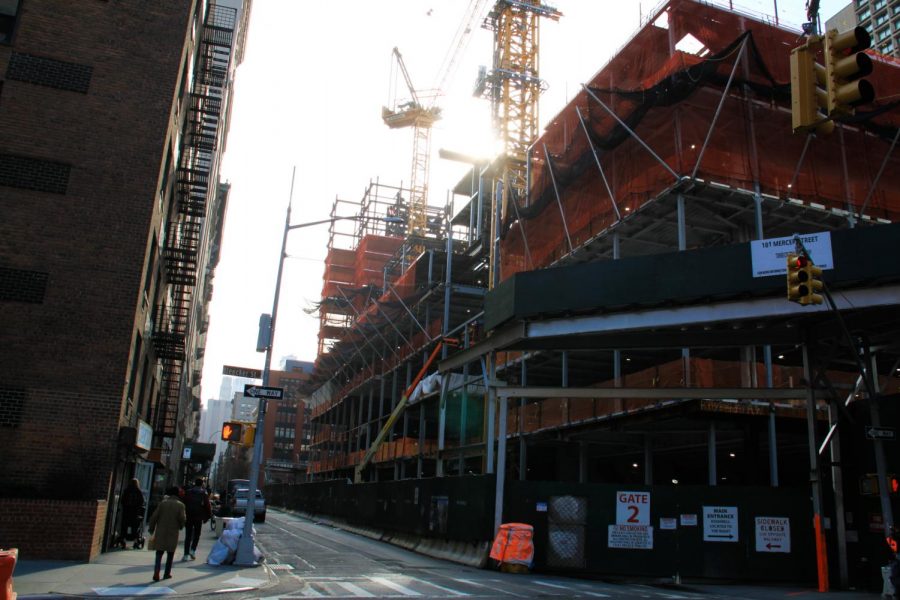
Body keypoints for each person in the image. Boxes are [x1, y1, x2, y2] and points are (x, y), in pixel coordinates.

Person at [148, 486, 186, 581]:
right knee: (170, 553)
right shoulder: (180, 505)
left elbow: (154, 517)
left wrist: (151, 528)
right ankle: (167, 573)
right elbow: (183, 519)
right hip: (173, 531)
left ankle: (156, 572)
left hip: (161, 530)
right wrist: (181, 525)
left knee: (159, 552)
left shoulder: (163, 504)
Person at [182, 477, 212, 561]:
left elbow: (184, 503)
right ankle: (193, 550)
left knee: (188, 535)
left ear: (195, 483)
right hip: (198, 517)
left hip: (189, 516)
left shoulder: (188, 492)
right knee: (197, 535)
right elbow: (207, 506)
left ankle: (185, 554)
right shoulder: (204, 494)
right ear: (202, 484)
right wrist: (208, 516)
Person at [119, 478, 145, 548]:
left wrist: (126, 506)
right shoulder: (138, 491)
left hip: (126, 512)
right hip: (135, 513)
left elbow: (122, 501)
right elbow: (142, 501)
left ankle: (123, 540)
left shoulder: (126, 491)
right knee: (135, 527)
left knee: (124, 526)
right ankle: (135, 541)